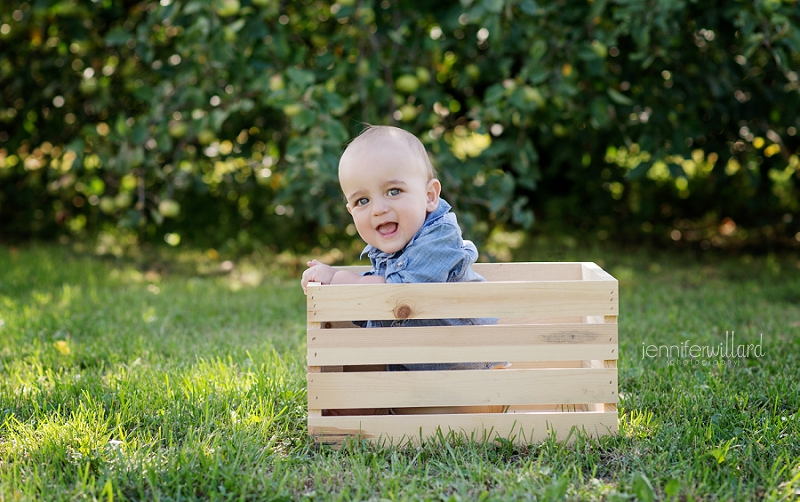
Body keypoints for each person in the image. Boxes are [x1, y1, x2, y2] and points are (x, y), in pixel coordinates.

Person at [300, 125, 505, 374]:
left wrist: (342, 280)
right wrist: (334, 284)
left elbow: (400, 292)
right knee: (358, 368)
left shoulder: (440, 237)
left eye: (393, 191)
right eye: (362, 201)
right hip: (422, 369)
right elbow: (380, 309)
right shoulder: (388, 249)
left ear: (430, 196)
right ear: (351, 211)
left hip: (472, 364)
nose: (378, 209)